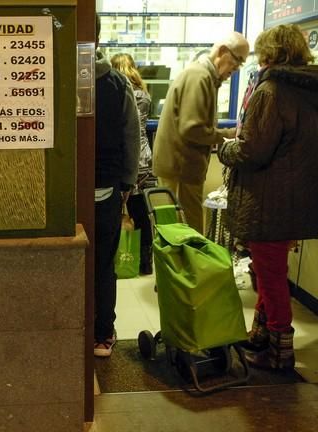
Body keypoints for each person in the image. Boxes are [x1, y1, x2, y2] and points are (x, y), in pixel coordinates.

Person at [218, 24, 318, 370]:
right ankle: (259, 337)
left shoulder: (271, 91)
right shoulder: (312, 92)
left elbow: (253, 151)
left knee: (270, 275)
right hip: (294, 202)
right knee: (268, 269)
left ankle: (279, 351)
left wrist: (225, 150)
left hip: (269, 202)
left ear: (272, 54)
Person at [152, 32, 249, 234]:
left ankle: (178, 265)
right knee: (185, 230)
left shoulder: (203, 76)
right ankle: (183, 267)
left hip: (179, 166)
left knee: (172, 228)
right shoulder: (200, 77)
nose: (237, 68)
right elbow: (191, 128)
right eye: (237, 60)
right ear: (222, 52)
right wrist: (228, 135)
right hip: (181, 168)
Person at [94, 15, 141, 357]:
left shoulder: (49, 74)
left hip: (62, 190)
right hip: (106, 185)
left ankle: (68, 325)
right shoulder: (116, 83)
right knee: (103, 262)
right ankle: (102, 333)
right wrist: (127, 181)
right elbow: (131, 135)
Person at [110, 53, 155, 275]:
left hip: (126, 158)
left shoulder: (117, 93)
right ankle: (145, 262)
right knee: (140, 211)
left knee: (116, 209)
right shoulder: (145, 94)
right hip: (145, 158)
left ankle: (120, 258)